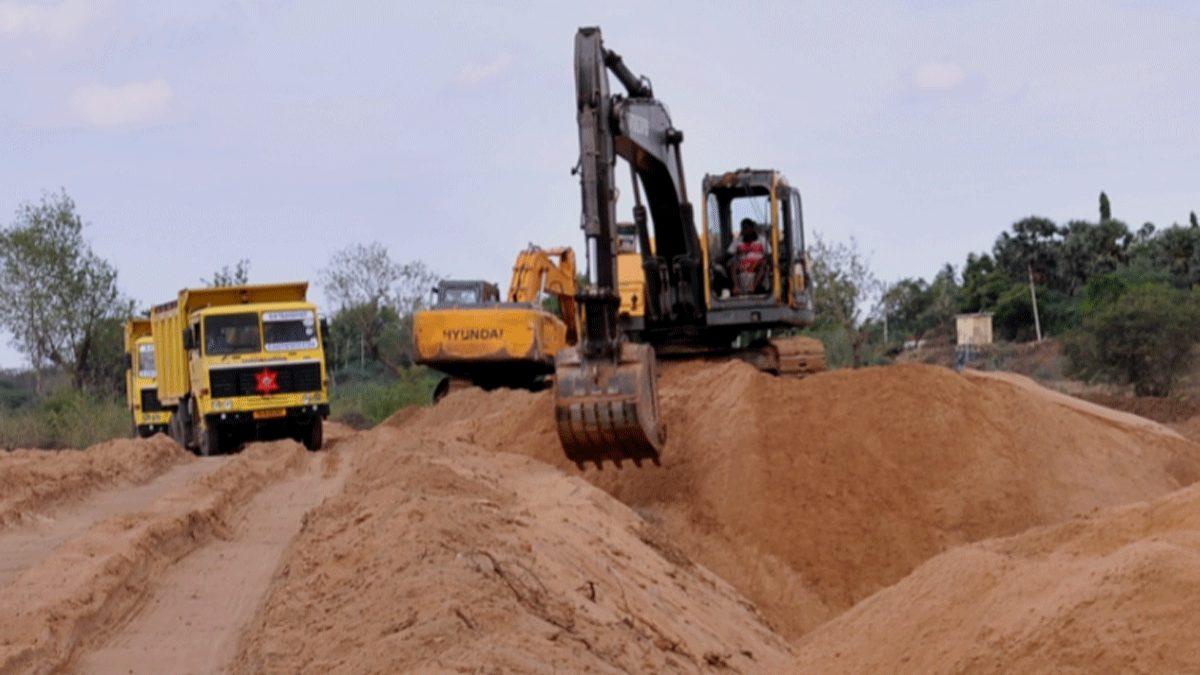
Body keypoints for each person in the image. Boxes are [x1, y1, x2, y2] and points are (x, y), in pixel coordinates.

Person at [727, 218, 769, 294]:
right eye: (742, 229)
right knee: (732, 265)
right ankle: (736, 287)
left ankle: (753, 286)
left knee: (763, 265)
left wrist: (764, 260)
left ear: (752, 229)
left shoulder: (762, 240)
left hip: (757, 265)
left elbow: (769, 255)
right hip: (743, 265)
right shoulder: (737, 241)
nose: (744, 231)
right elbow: (729, 254)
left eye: (746, 228)